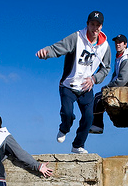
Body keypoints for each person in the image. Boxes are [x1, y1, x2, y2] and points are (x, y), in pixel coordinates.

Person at [36, 11, 111, 154]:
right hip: (68, 85)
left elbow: (106, 68)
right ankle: (64, 128)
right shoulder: (76, 38)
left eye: (98, 25)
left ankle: (77, 145)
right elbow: (58, 48)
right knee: (68, 114)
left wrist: (94, 79)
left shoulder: (105, 46)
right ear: (87, 24)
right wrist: (46, 52)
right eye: (92, 24)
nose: (95, 28)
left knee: (89, 118)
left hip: (86, 87)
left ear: (101, 27)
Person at [90, 34, 128, 134]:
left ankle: (97, 125)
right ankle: (95, 124)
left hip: (126, 89)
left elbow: (122, 80)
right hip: (120, 87)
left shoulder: (126, 59)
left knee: (99, 98)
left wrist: (108, 87)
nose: (117, 44)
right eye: (116, 42)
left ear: (125, 44)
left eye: (120, 42)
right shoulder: (119, 57)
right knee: (97, 96)